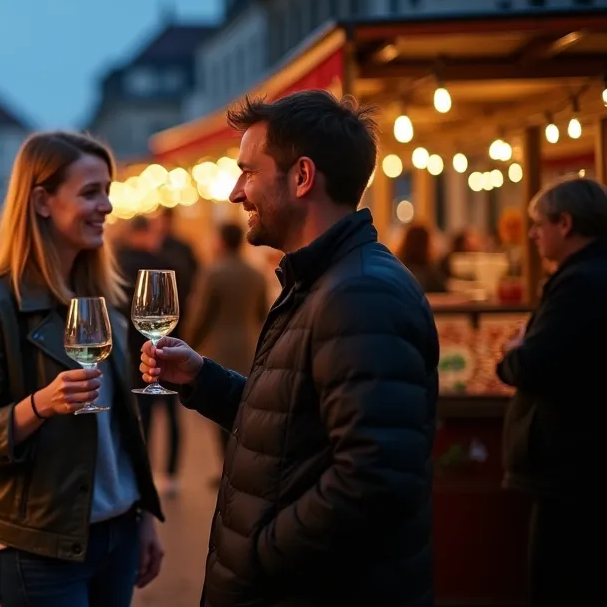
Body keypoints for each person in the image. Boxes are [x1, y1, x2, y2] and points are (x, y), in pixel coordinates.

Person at [139, 91, 438, 605]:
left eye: (249, 173)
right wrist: (203, 379)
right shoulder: (321, 281)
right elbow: (292, 431)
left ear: (301, 177)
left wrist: (259, 554)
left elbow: (373, 479)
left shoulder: (360, 295)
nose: (235, 193)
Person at [0, 131, 164, 606]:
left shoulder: (104, 299)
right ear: (42, 201)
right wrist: (41, 404)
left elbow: (123, 428)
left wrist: (144, 514)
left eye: (108, 190)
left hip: (119, 534)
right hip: (40, 545)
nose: (106, 205)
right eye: (90, 192)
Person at [496, 177, 607, 606]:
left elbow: (530, 364)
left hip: (570, 465)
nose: (531, 234)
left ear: (565, 223)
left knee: (557, 577)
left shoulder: (578, 285)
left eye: (538, 224)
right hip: (582, 461)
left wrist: (512, 352)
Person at [184, 222, 268, 459]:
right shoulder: (256, 274)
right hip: (249, 346)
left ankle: (228, 463)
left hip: (219, 347)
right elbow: (264, 312)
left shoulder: (214, 273)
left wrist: (189, 342)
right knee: (245, 404)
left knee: (223, 406)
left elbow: (201, 315)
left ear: (221, 241)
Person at [114, 215, 183, 496]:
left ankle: (140, 473)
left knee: (141, 414)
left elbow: (117, 309)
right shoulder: (168, 261)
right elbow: (184, 304)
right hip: (170, 345)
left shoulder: (118, 265)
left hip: (132, 349)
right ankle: (169, 473)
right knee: (171, 415)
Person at [396, 224, 448, 293]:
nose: (433, 245)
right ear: (425, 244)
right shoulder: (430, 274)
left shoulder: (398, 267)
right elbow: (443, 291)